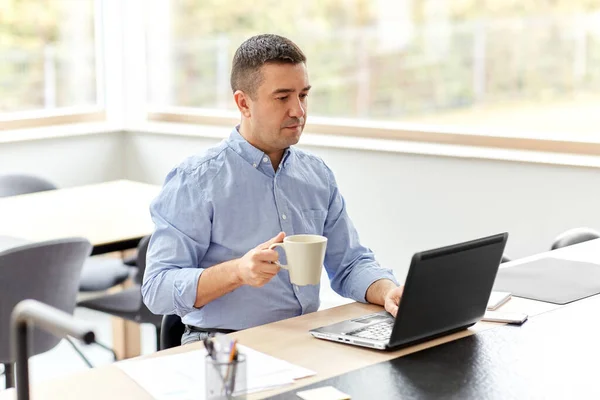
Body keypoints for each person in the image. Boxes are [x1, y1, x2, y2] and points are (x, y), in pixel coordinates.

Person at [142, 34, 403, 345]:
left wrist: (389, 292)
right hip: (226, 348)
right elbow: (157, 289)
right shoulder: (196, 180)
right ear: (243, 103)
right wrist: (238, 272)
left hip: (306, 339)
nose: (298, 111)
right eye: (282, 98)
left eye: (303, 95)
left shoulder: (316, 175)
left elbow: (349, 264)